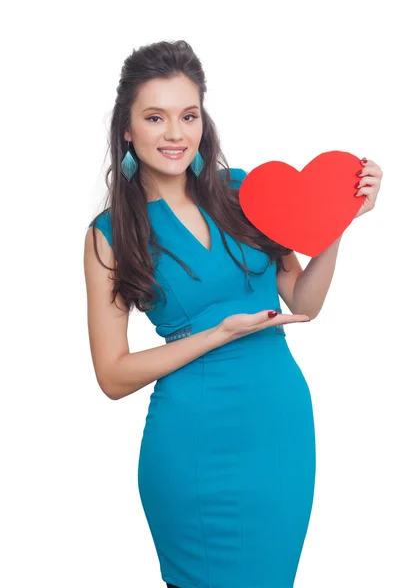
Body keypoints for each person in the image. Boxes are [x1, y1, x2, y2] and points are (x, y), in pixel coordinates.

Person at [84, 40, 382, 588]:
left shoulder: (245, 191)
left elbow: (305, 303)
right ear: (128, 129)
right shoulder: (111, 235)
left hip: (280, 431)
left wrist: (339, 220)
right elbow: (112, 375)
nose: (175, 133)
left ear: (203, 120)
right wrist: (218, 334)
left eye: (188, 115)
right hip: (192, 443)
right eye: (156, 117)